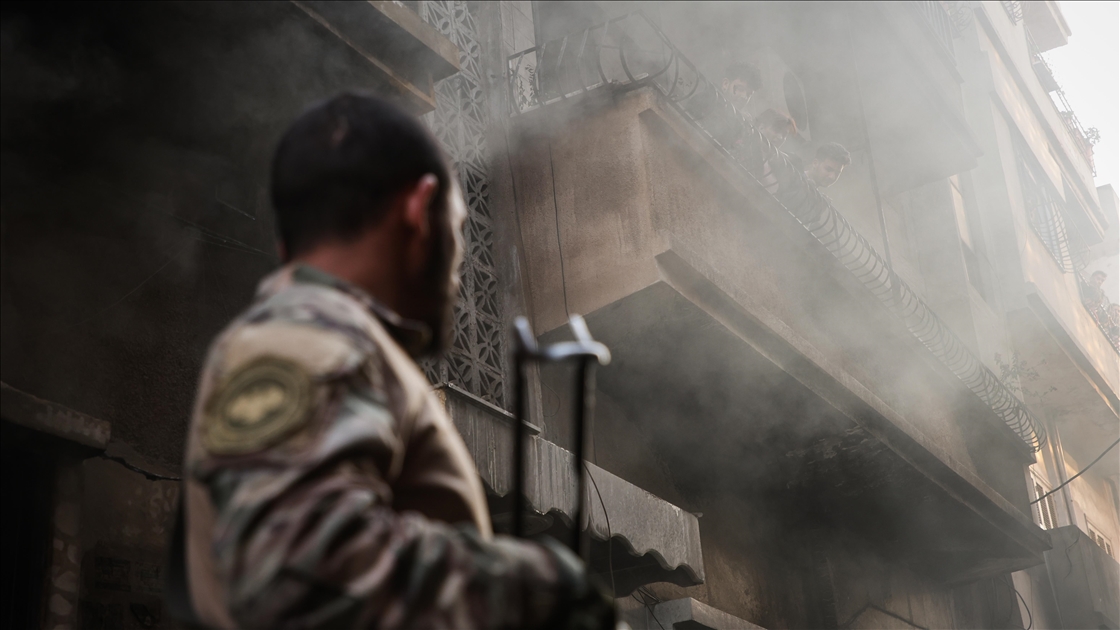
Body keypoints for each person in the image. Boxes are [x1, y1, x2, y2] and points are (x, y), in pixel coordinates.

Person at [172, 93, 614, 629]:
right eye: (459, 228)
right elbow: (296, 571)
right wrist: (542, 591)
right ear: (419, 210)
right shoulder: (305, 337)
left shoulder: (340, 341)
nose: (459, 267)